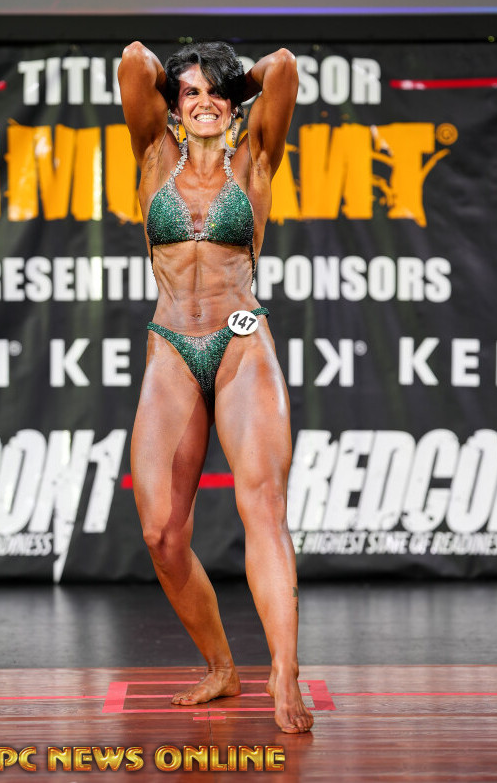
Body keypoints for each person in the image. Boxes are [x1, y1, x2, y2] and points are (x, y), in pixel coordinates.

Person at [118, 39, 313, 735]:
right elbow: (134, 60)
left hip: (240, 340)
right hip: (171, 345)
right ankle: (222, 667)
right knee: (162, 534)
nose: (204, 103)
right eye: (191, 94)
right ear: (175, 105)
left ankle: (284, 670)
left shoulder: (256, 158)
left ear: (234, 105)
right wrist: (185, 83)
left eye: (217, 94)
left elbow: (282, 65)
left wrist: (235, 82)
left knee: (265, 507)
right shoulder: (154, 155)